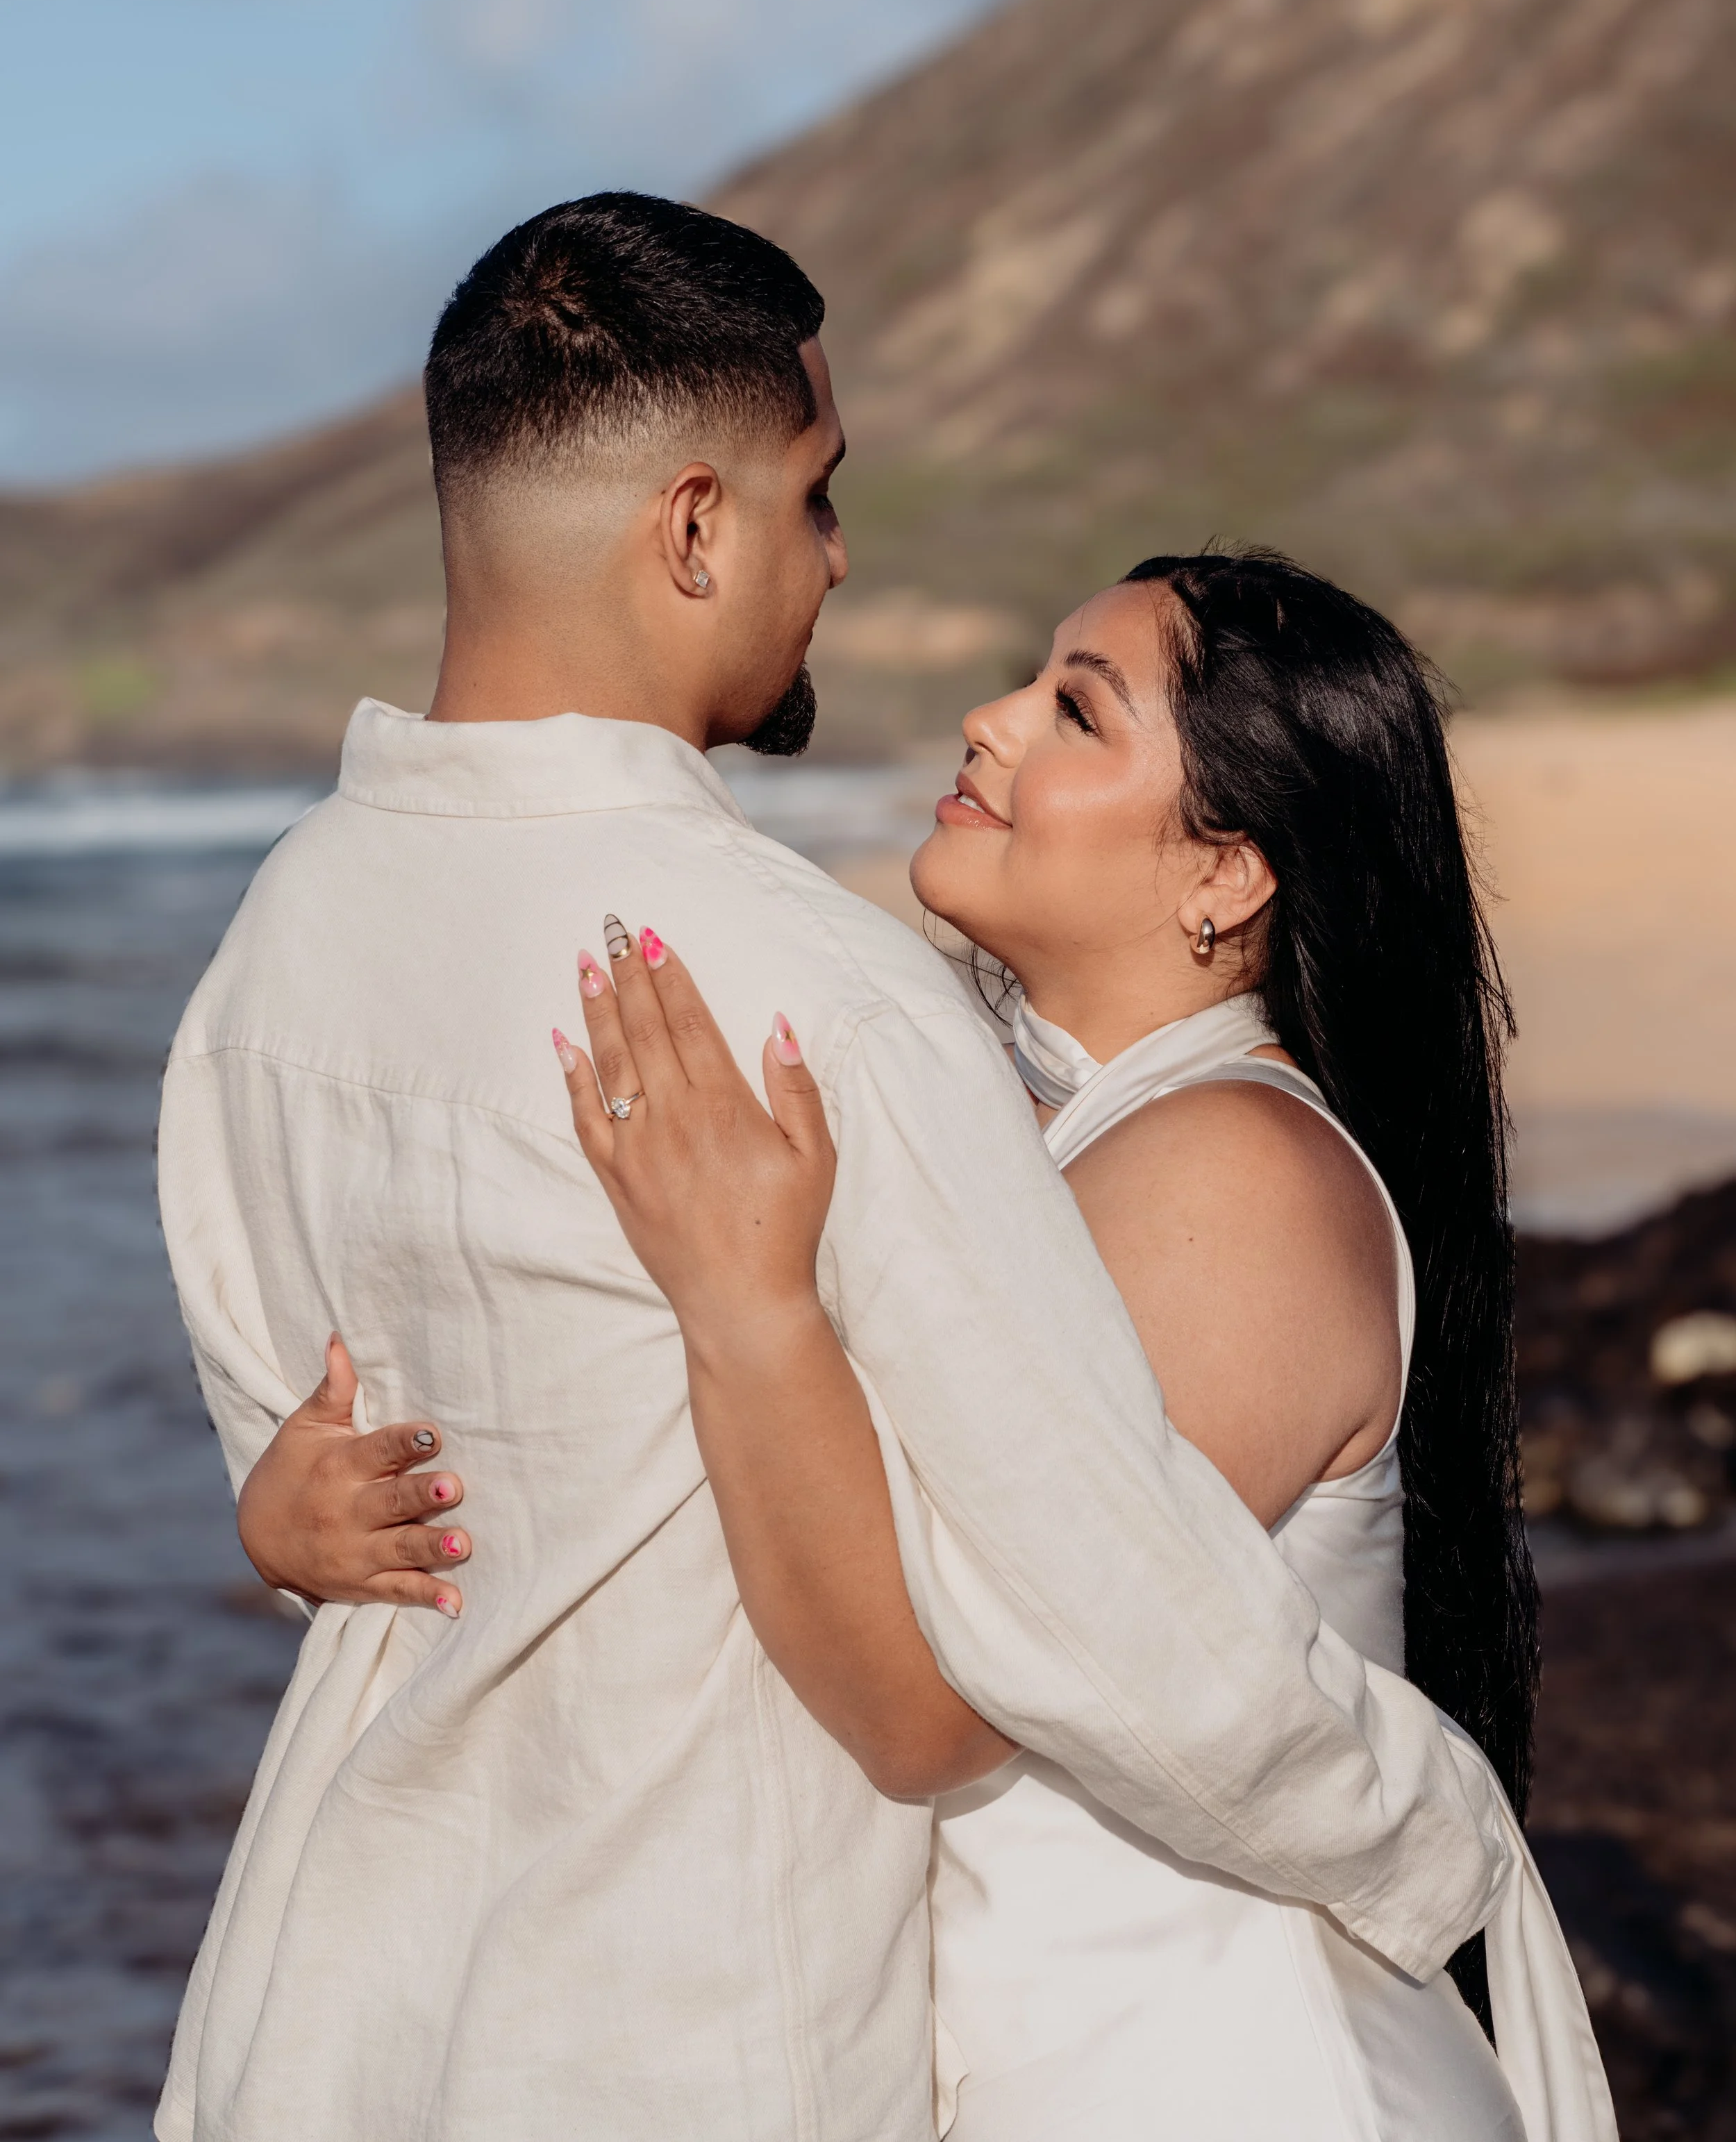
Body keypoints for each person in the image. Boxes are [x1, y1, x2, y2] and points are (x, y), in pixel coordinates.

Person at [159, 194, 1520, 2142]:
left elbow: (385, 1480)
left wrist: (283, 1525)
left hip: (364, 2005)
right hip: (704, 2020)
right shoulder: (824, 1004)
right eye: (816, 496)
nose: (845, 562)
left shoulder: (264, 965)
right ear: (696, 528)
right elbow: (1103, 1647)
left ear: (1233, 869)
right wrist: (1435, 1837)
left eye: (1073, 705)